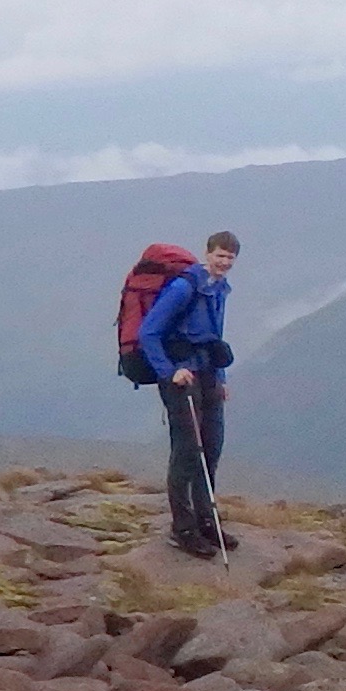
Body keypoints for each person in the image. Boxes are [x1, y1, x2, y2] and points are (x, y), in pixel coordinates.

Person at [139, 231, 239, 559]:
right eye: (220, 255)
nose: (224, 262)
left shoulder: (220, 289)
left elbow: (214, 338)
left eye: (230, 258)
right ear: (207, 253)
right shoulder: (183, 288)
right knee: (186, 452)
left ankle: (206, 522)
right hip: (181, 378)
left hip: (208, 374)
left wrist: (220, 378)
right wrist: (169, 371)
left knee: (211, 447)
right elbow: (148, 332)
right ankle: (182, 529)